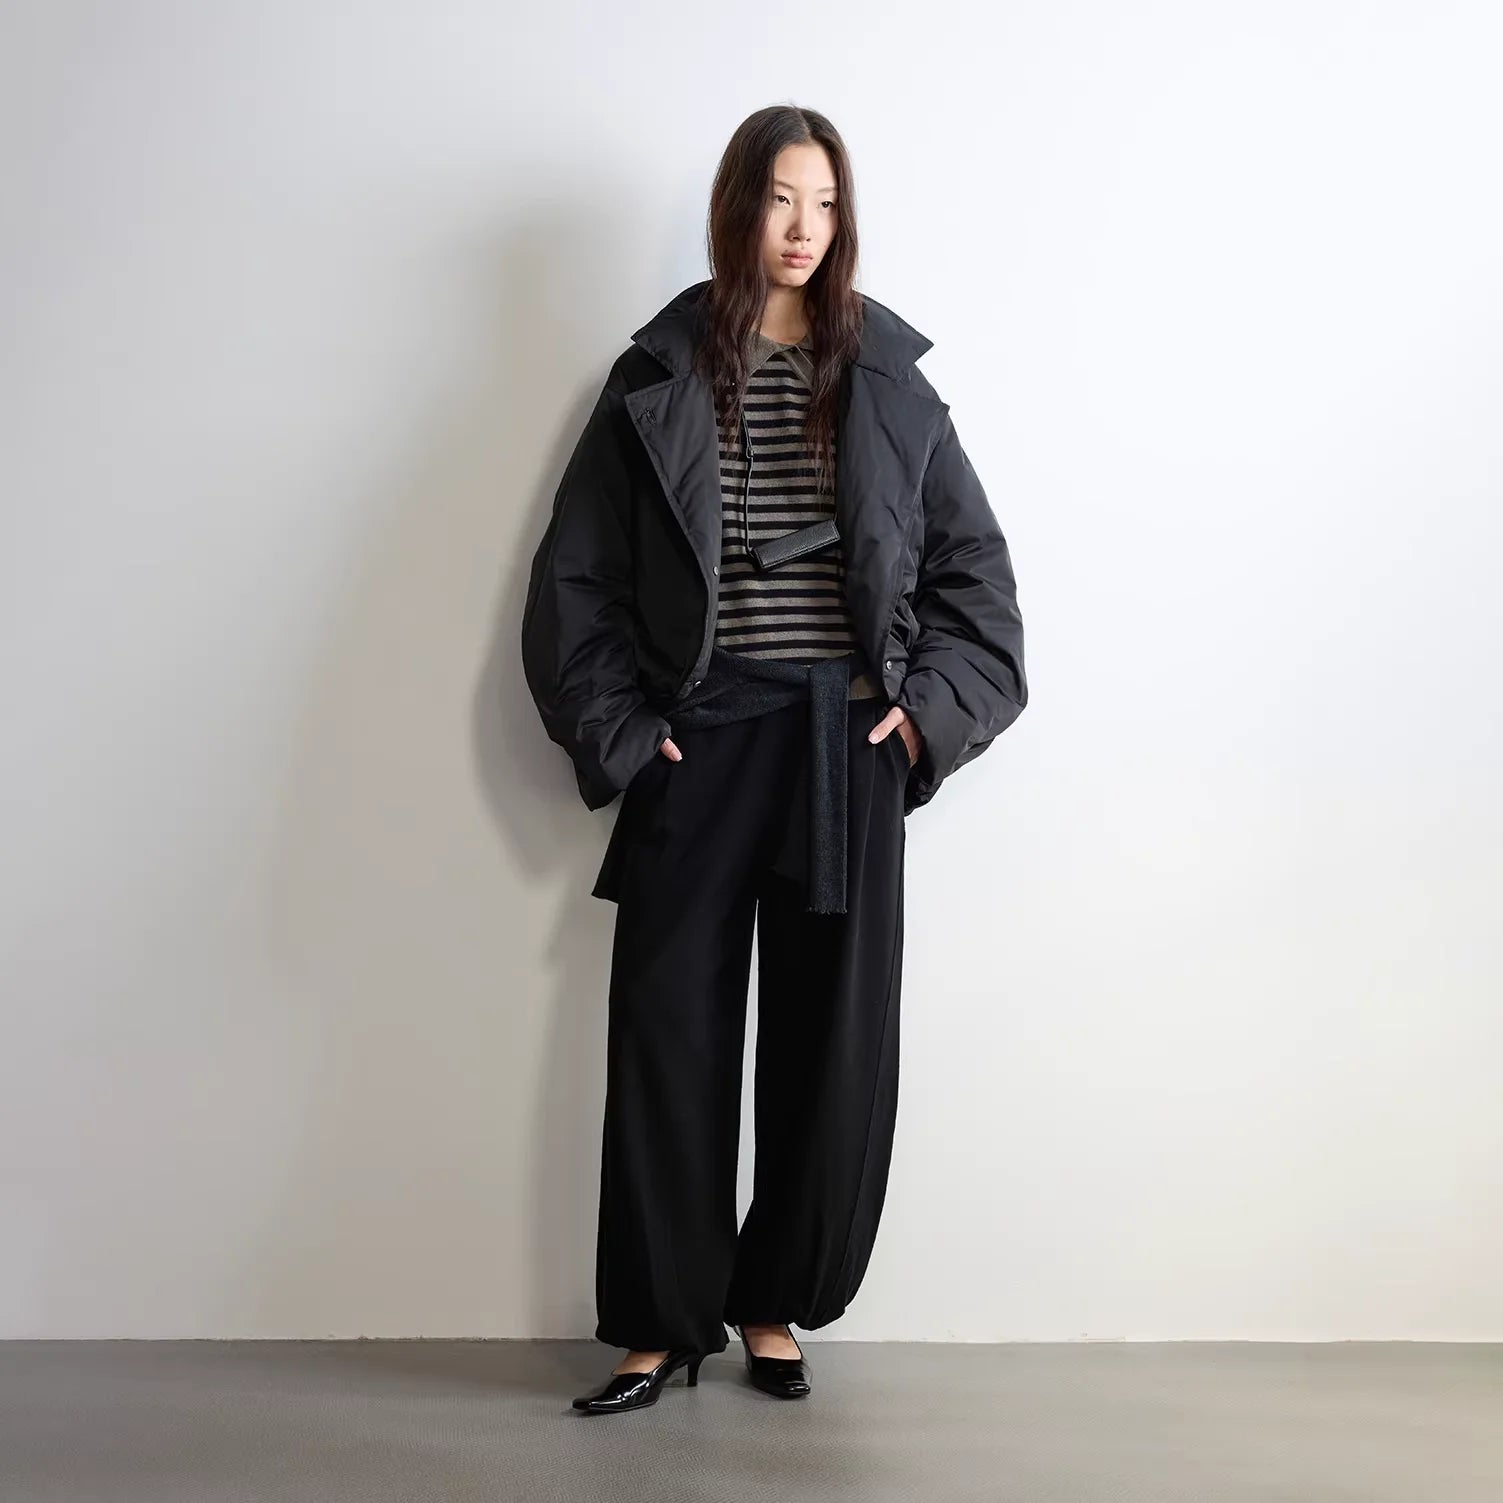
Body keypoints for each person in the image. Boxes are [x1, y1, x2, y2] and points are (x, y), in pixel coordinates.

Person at [520, 104, 1028, 1416]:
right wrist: (628, 737)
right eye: (781, 199)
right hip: (699, 739)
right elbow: (576, 584)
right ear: (737, 207)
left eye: (826, 203)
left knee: (831, 1043)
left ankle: (770, 1303)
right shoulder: (656, 375)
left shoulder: (891, 382)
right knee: (669, 1030)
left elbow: (977, 584)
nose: (804, 228)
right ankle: (659, 1325)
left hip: (843, 743)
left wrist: (919, 721)